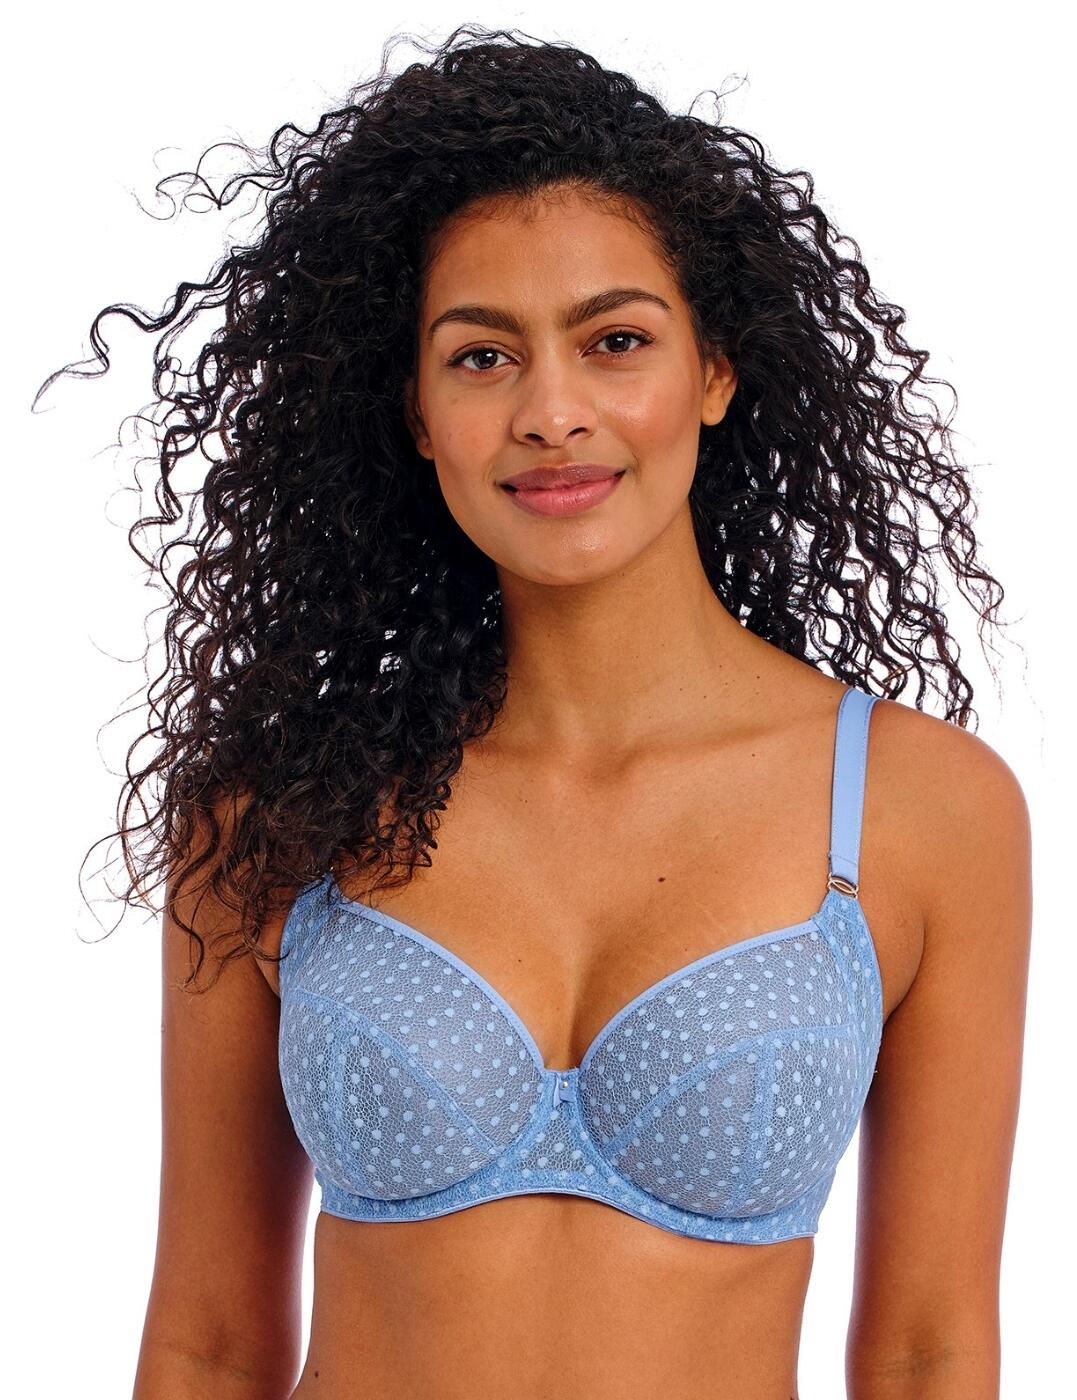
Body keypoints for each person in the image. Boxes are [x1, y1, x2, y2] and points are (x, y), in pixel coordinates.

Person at [47, 23, 1031, 1400]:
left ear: (714, 370)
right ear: (413, 411)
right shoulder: (278, 808)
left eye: (615, 340)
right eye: (481, 356)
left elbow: (929, 1352)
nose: (551, 412)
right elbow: (208, 1345)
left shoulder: (921, 808)